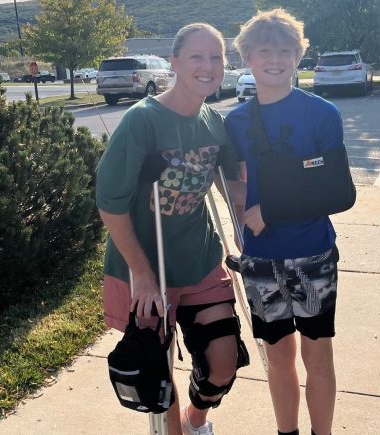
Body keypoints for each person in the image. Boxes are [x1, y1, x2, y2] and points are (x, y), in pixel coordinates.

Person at [96, 23, 248, 435]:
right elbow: (109, 205)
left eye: (216, 57)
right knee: (157, 374)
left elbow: (232, 177)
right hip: (145, 264)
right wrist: (142, 275)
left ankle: (196, 420)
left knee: (223, 361)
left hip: (198, 258)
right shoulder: (141, 121)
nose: (208, 66)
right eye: (197, 57)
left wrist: (245, 217)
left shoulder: (214, 121)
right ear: (175, 62)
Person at [225, 9, 344, 435]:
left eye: (284, 50)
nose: (274, 59)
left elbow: (336, 191)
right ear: (248, 59)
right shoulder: (235, 122)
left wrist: (272, 208)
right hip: (260, 260)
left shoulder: (322, 113)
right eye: (264, 51)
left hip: (313, 255)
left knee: (317, 355)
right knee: (277, 356)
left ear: (298, 56)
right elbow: (232, 180)